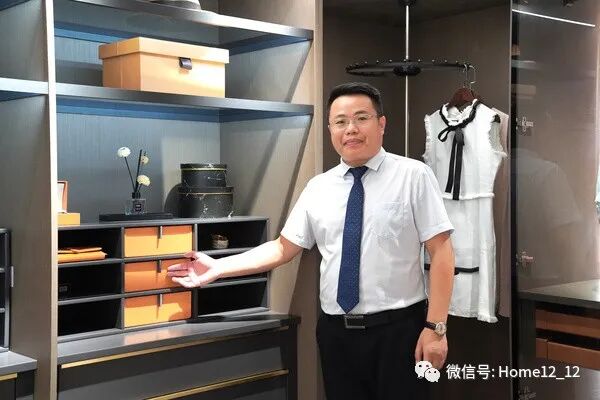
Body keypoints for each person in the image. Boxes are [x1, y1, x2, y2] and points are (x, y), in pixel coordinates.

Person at [168, 82, 455, 399]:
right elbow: (282, 248)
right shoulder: (319, 187)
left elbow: (441, 252)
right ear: (330, 129)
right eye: (340, 121)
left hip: (399, 332)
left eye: (361, 118)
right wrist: (218, 267)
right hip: (337, 334)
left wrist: (436, 328)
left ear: (381, 124)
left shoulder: (413, 176)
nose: (351, 129)